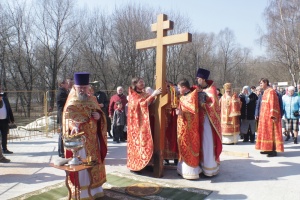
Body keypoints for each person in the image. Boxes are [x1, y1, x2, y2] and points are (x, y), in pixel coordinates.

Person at [63, 72, 107, 199]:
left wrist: (99, 117)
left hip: (93, 139)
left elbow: (99, 114)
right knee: (82, 165)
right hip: (80, 140)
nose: (82, 89)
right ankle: (82, 192)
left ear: (88, 87)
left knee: (94, 163)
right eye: (80, 87)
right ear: (75, 87)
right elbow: (67, 118)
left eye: (84, 87)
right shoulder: (71, 101)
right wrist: (74, 127)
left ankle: (95, 189)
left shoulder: (93, 99)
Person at [127, 77, 162, 172]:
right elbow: (141, 105)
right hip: (136, 125)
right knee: (140, 143)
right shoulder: (133, 95)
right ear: (135, 84)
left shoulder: (144, 94)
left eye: (143, 81)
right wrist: (153, 95)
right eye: (140, 82)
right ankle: (137, 165)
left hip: (146, 122)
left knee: (147, 142)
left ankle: (147, 163)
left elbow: (149, 104)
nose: (142, 83)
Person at [196, 68, 222, 177]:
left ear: (202, 79)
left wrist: (202, 104)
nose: (197, 80)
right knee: (201, 143)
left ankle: (209, 168)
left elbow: (213, 106)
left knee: (207, 142)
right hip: (200, 121)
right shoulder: (200, 90)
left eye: (198, 78)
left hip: (208, 122)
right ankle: (202, 165)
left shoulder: (211, 90)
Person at [176, 79, 201, 179]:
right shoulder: (183, 97)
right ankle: (181, 169)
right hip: (182, 126)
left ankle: (190, 172)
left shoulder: (192, 95)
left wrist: (181, 112)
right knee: (183, 145)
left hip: (189, 127)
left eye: (178, 87)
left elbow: (191, 109)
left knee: (189, 145)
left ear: (183, 87)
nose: (178, 89)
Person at [255, 78, 284, 157]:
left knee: (271, 134)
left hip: (269, 117)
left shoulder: (271, 91)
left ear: (265, 83)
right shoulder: (265, 92)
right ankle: (267, 148)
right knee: (265, 133)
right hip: (264, 117)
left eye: (261, 83)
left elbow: (273, 104)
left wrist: (273, 115)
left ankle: (273, 150)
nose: (260, 85)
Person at [56, 78, 70, 158]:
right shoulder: (61, 93)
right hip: (62, 115)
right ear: (62, 84)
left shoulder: (65, 92)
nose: (68, 85)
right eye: (66, 83)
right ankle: (61, 152)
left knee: (64, 133)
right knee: (62, 133)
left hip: (64, 114)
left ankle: (64, 150)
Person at [0, 87, 15, 154]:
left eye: (0, 88)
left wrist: (12, 119)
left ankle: (4, 149)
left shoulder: (5, 98)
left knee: (4, 135)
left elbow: (9, 108)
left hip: (5, 120)